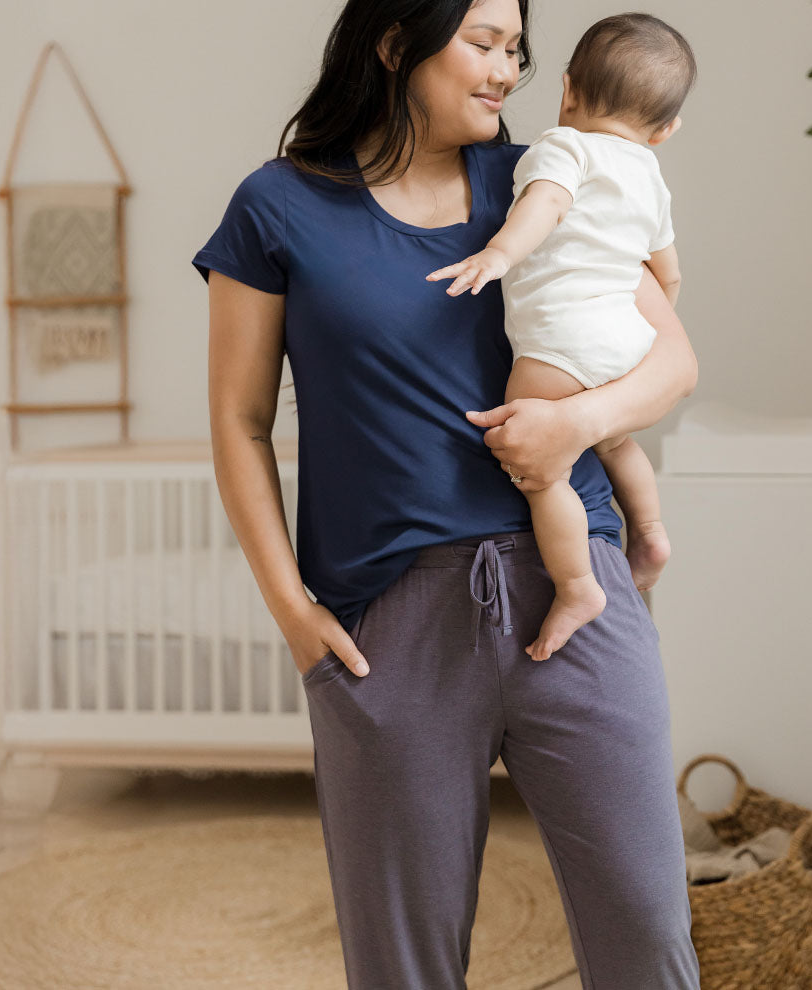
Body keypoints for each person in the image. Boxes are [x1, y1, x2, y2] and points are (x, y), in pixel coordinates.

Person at [192, 1, 702, 987]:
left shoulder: (546, 173)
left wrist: (573, 426)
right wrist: (294, 613)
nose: (507, 68)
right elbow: (239, 422)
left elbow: (673, 362)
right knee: (403, 964)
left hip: (573, 585)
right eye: (482, 43)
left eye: (517, 48)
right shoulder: (275, 206)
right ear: (396, 43)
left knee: (646, 929)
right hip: (391, 618)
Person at [426, 13, 695, 662]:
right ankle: (651, 530)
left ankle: (577, 586)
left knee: (542, 467)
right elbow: (668, 270)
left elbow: (544, 204)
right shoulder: (648, 176)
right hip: (625, 337)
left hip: (561, 341)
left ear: (569, 89)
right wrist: (636, 326)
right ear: (665, 129)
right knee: (613, 436)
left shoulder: (561, 147)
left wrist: (498, 252)